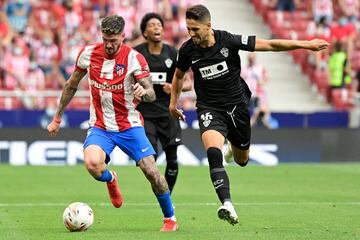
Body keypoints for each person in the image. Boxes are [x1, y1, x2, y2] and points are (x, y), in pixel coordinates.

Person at [169, 4, 329, 225]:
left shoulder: (229, 40)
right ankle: (227, 204)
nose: (191, 34)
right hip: (209, 108)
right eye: (188, 28)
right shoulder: (187, 50)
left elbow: (270, 45)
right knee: (213, 153)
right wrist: (172, 104)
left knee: (242, 159)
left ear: (209, 26)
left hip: (237, 107)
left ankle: (231, 151)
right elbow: (178, 76)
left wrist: (306, 44)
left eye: (195, 29)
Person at [47, 15, 178, 232]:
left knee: (152, 172)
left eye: (114, 40)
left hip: (129, 125)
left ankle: (170, 219)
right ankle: (111, 179)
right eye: (105, 39)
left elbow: (152, 94)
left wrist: (143, 91)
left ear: (123, 36)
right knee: (92, 165)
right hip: (100, 126)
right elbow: (71, 85)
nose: (109, 45)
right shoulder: (88, 54)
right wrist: (57, 117)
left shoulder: (135, 58)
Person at [134, 12, 192, 194]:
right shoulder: (137, 54)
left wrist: (176, 87)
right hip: (145, 114)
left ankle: (168, 195)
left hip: (168, 113)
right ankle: (159, 187)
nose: (157, 27)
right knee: (147, 159)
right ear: (144, 32)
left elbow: (188, 83)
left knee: (172, 159)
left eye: (159, 24)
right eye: (151, 25)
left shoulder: (173, 53)